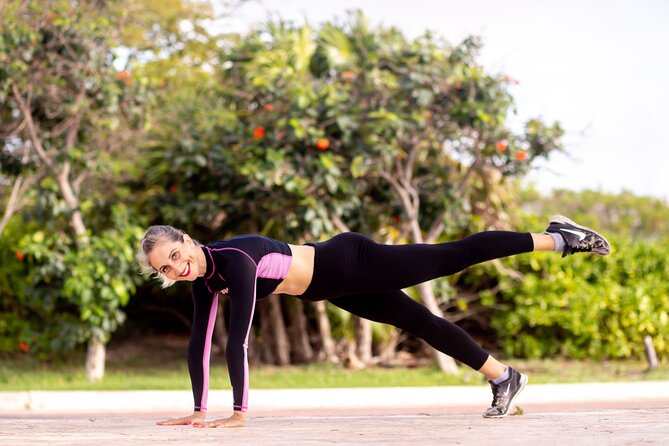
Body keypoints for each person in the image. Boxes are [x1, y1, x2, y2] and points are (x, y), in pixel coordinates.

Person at [137, 215, 610, 428]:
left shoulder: (233, 259)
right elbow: (198, 346)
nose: (177, 269)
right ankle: (504, 377)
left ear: (189, 240)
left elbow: (236, 342)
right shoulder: (203, 282)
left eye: (176, 255)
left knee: (455, 255)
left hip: (348, 262)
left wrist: (238, 414)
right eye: (165, 268)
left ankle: (557, 239)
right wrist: (199, 410)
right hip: (333, 286)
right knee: (420, 322)